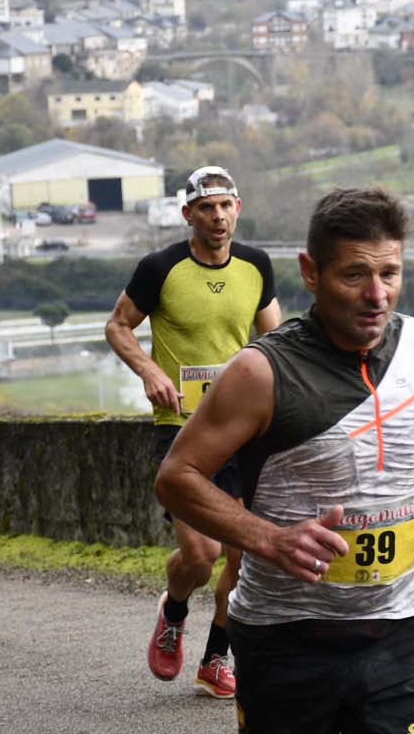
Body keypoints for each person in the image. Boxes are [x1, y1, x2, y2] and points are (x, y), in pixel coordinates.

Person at [155, 186, 414, 734]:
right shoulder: (260, 372)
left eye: (390, 274)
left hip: (402, 630)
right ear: (311, 272)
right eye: (355, 275)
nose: (376, 295)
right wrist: (269, 538)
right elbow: (176, 478)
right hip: (287, 638)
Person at [105, 165, 283, 700]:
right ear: (188, 214)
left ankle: (215, 658)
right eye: (207, 207)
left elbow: (276, 341)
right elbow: (118, 326)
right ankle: (175, 609)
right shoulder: (160, 267)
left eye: (226, 205)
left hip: (245, 429)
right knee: (201, 557)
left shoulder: (256, 266)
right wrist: (150, 371)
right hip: (182, 427)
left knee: (243, 556)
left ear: (238, 208)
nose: (218, 216)